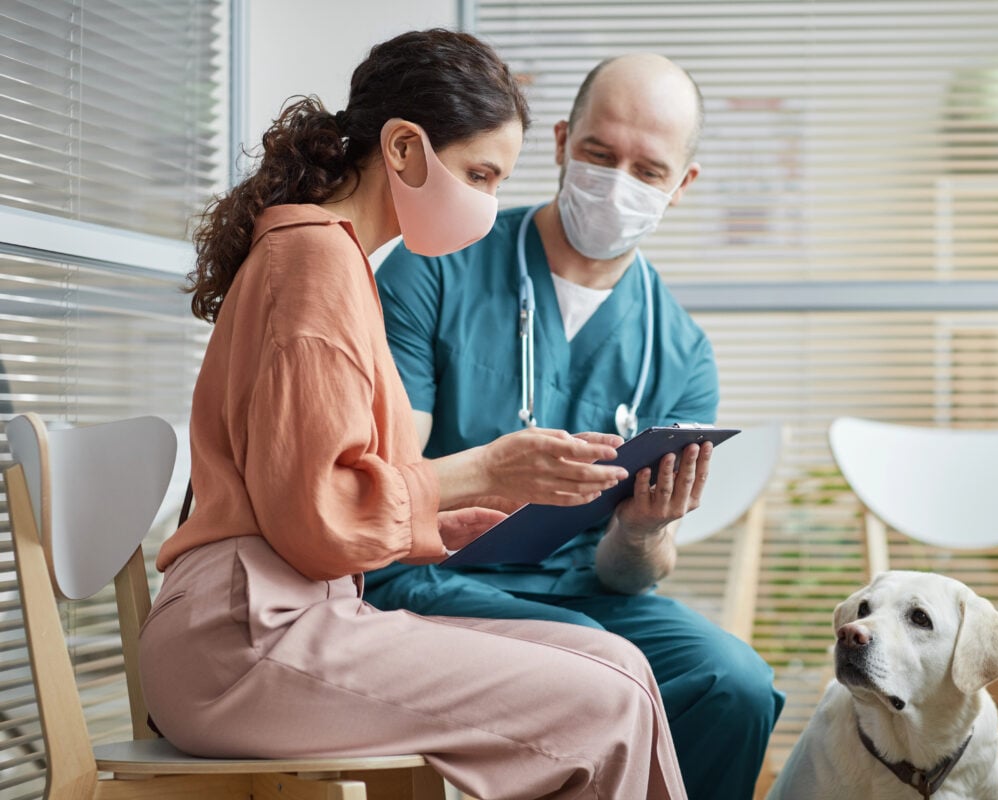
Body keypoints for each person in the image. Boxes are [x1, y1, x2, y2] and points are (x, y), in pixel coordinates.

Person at [139, 30, 689, 800]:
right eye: (481, 173)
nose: (491, 202)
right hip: (245, 640)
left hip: (288, 614)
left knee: (624, 667)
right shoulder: (317, 265)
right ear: (403, 149)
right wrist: (484, 468)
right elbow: (318, 517)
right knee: (612, 698)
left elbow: (317, 487)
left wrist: (445, 515)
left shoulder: (335, 262)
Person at [365, 53, 784, 800]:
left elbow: (630, 575)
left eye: (648, 169)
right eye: (598, 153)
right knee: (598, 663)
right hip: (431, 578)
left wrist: (642, 532)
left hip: (588, 596)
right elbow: (386, 467)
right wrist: (492, 468)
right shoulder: (437, 266)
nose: (617, 181)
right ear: (560, 142)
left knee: (736, 682)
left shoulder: (680, 348)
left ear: (681, 186)